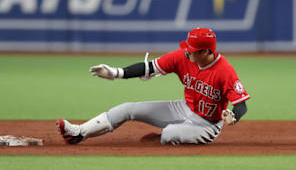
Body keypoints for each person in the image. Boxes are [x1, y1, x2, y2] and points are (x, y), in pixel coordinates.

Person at [57, 28, 249, 145]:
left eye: (191, 50)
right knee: (128, 108)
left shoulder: (224, 71)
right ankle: (77, 133)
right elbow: (148, 67)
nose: (187, 52)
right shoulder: (182, 57)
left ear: (206, 51)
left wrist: (234, 115)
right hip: (184, 107)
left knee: (169, 134)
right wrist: (116, 73)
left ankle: (168, 136)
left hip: (207, 124)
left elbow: (241, 104)